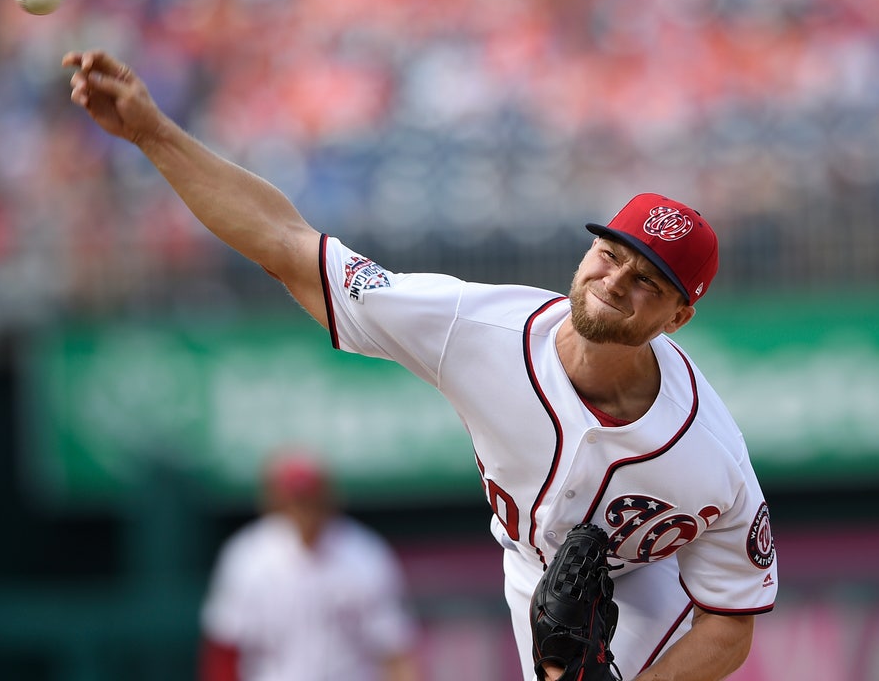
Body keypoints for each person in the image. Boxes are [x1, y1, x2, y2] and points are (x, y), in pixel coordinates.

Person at [63, 49, 777, 681]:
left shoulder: (708, 458)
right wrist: (152, 134)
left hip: (652, 580)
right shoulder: (478, 330)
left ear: (678, 317)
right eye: (610, 254)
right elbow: (285, 242)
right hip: (534, 568)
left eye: (647, 280)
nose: (615, 280)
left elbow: (730, 623)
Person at [198, 449, 422, 681]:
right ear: (277, 499)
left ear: (327, 496)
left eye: (310, 497)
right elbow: (224, 647)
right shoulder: (248, 557)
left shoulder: (364, 555)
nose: (303, 508)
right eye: (295, 498)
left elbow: (395, 650)